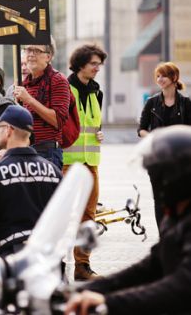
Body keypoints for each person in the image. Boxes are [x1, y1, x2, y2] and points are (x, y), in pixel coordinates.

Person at [65, 125, 191, 315]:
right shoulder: (175, 217)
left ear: (175, 178)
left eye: (158, 176)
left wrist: (109, 303)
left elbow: (181, 287)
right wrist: (81, 291)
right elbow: (153, 266)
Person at [0, 105, 62, 259]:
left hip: (10, 260)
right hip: (46, 260)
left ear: (8, 130)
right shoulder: (53, 171)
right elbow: (63, 218)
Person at [62, 44, 108, 281]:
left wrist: (100, 133)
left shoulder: (97, 91)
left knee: (88, 216)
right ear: (81, 64)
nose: (97, 68)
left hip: (91, 162)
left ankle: (82, 266)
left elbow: (93, 123)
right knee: (61, 215)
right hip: (67, 161)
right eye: (94, 64)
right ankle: (58, 266)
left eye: (99, 64)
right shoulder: (64, 89)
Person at [138, 62, 191, 229]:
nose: (160, 79)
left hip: (181, 159)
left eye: (164, 76)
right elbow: (141, 129)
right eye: (158, 76)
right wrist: (156, 138)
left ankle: (180, 233)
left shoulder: (186, 103)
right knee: (160, 199)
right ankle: (164, 236)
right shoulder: (152, 103)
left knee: (182, 197)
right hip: (158, 158)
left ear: (174, 78)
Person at [12, 41, 70, 169]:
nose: (31, 54)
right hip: (25, 152)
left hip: (47, 153)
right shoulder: (23, 83)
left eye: (37, 51)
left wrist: (29, 99)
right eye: (28, 50)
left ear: (48, 57)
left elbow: (58, 121)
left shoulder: (58, 80)